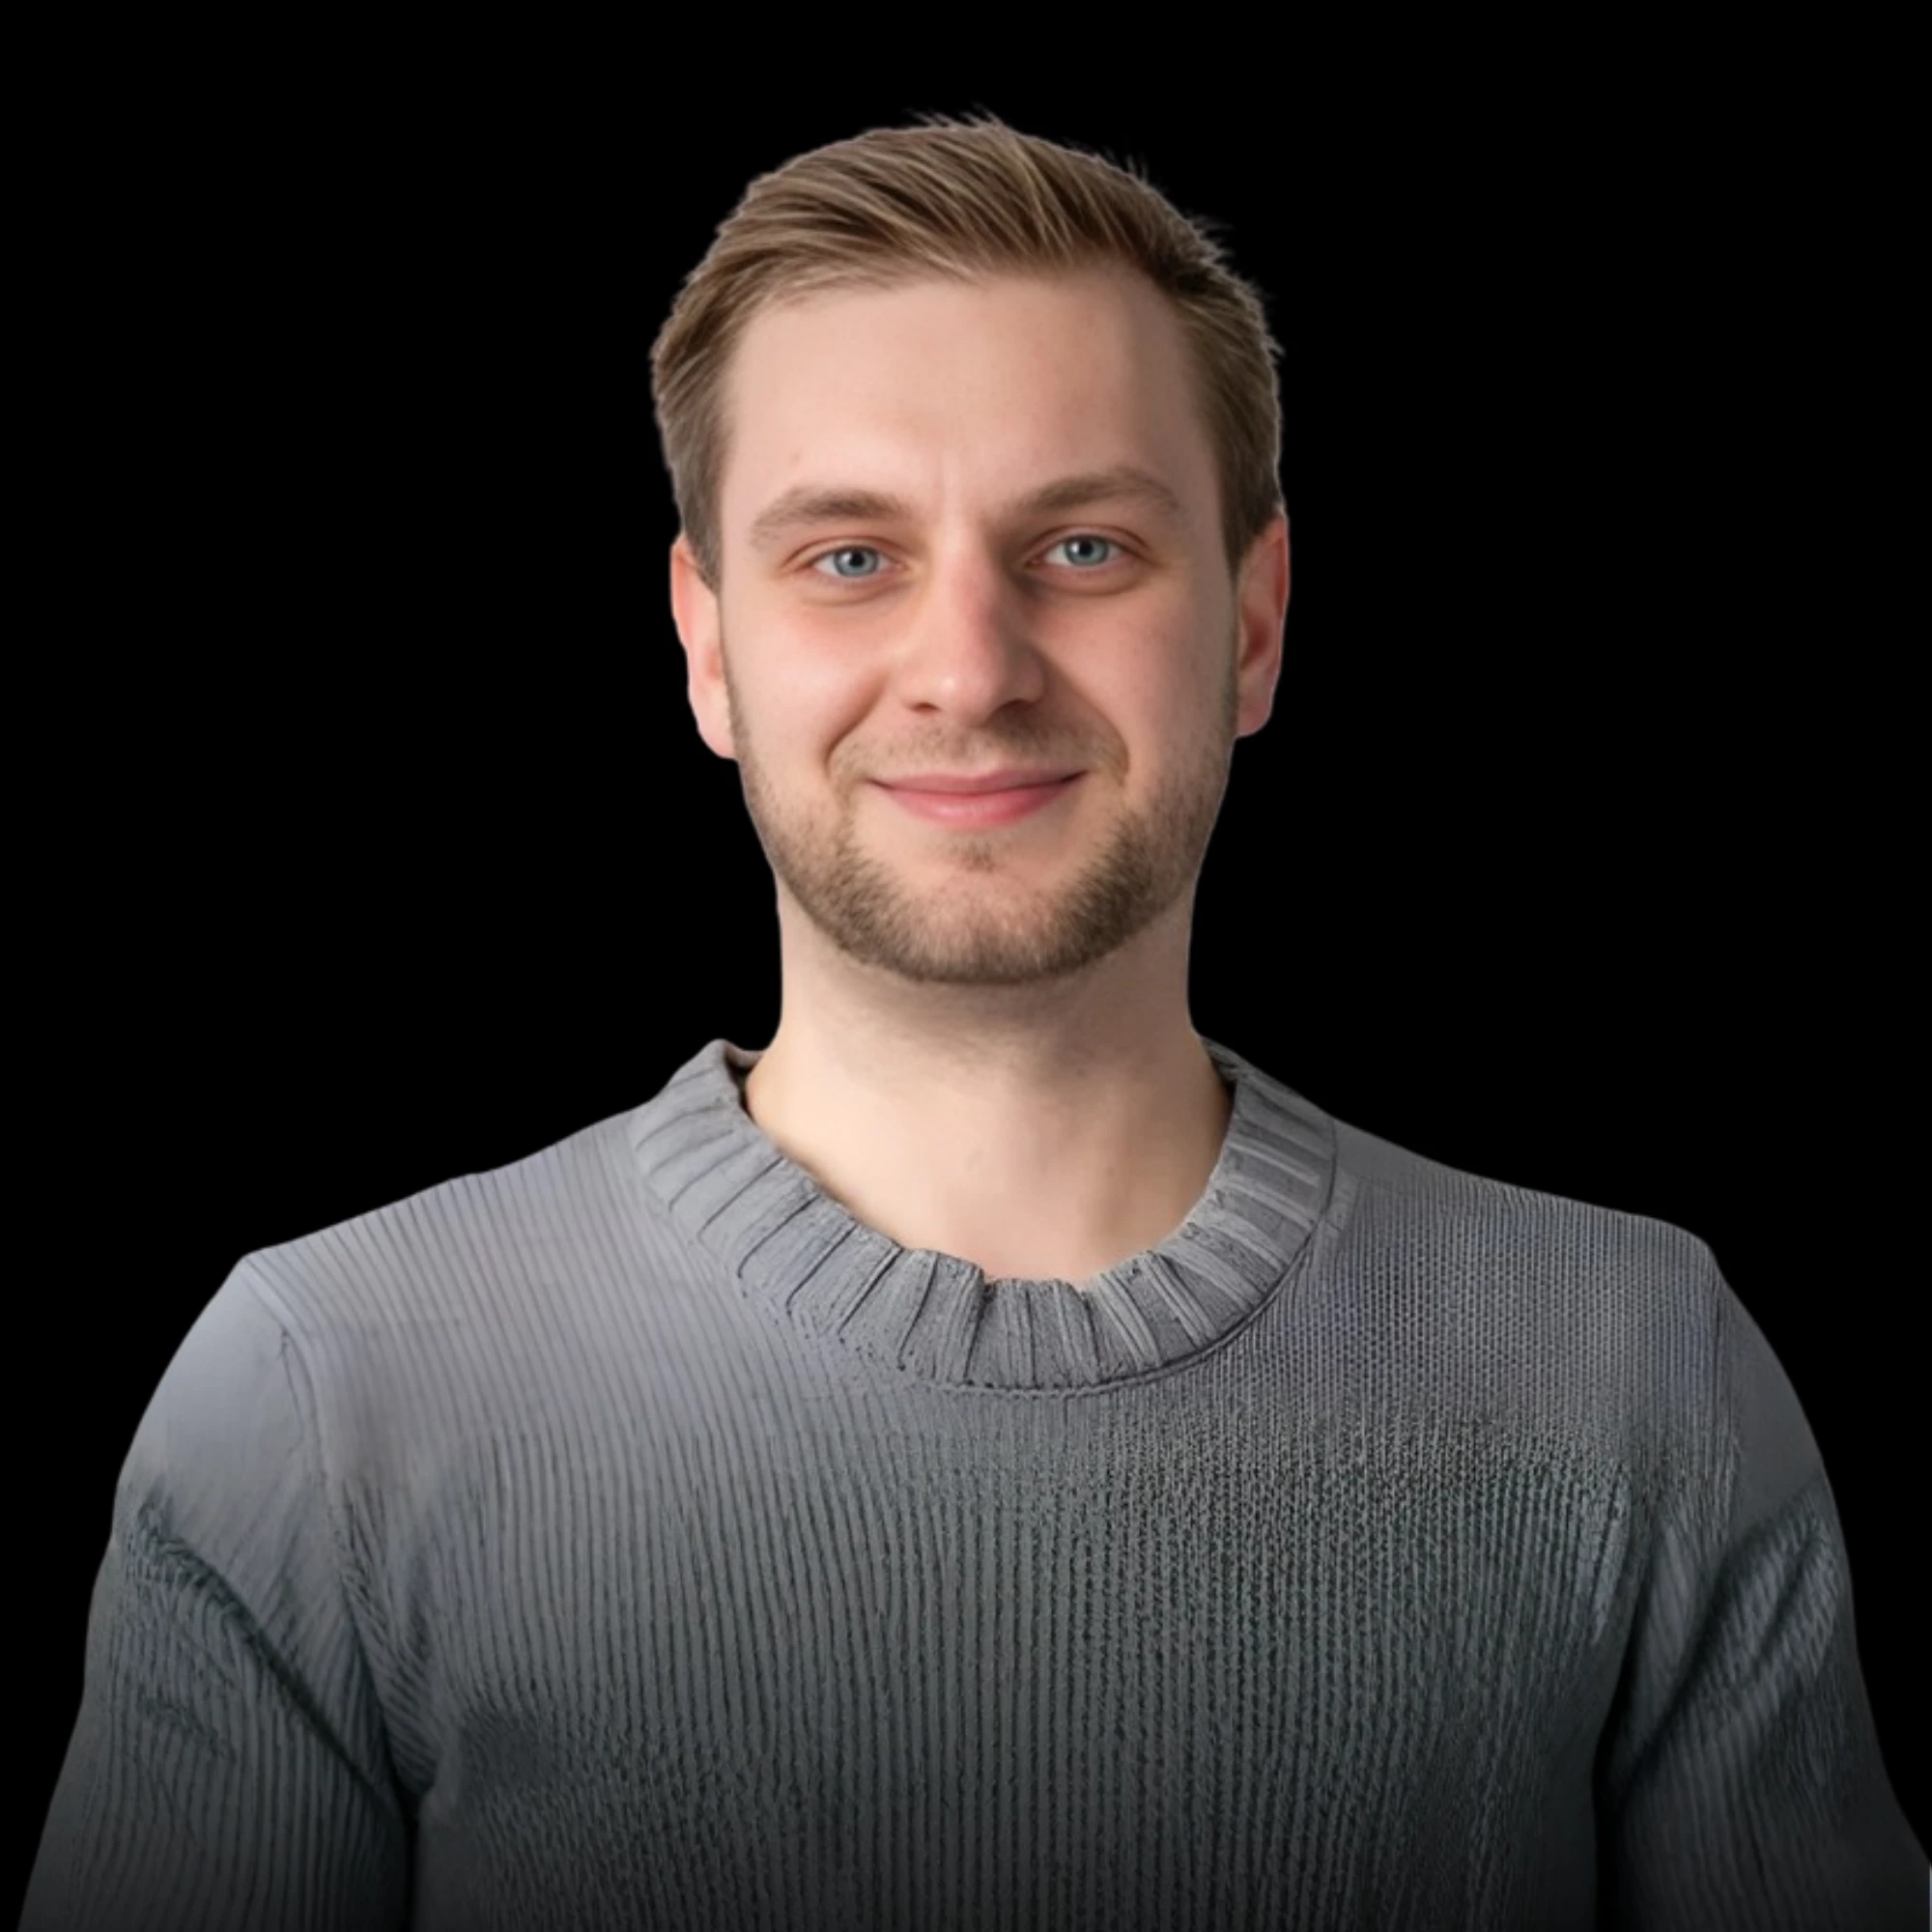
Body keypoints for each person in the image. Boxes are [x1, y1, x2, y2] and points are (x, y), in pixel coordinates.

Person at [22, 118, 1924, 1932]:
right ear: (707, 644)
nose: (969, 670)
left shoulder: (1636, 1377)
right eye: (848, 556)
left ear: (1255, 621)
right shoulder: (320, 1401)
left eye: (1082, 547)